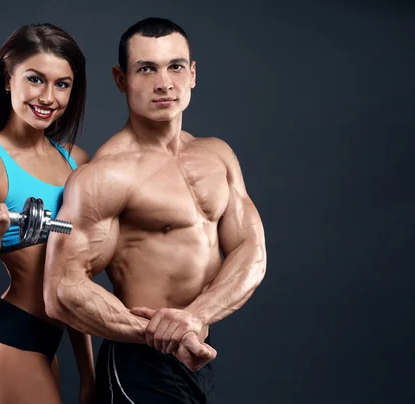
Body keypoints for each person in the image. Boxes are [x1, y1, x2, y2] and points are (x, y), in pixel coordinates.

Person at [43, 17, 267, 403]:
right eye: (146, 69)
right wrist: (153, 332)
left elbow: (251, 249)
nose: (164, 83)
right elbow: (62, 289)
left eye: (175, 66)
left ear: (193, 73)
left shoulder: (218, 154)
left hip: (196, 352)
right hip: (140, 361)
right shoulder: (107, 174)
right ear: (121, 79)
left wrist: (194, 318)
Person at [0, 23, 94, 404]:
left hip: (50, 342)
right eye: (35, 79)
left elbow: (74, 277)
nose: (49, 97)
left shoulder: (75, 161)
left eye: (62, 84)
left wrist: (88, 374)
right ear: (8, 79)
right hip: (6, 342)